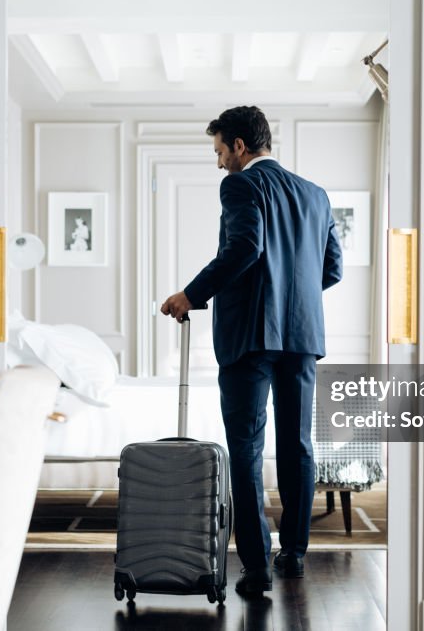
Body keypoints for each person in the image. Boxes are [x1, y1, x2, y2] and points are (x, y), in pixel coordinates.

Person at [161, 106, 343, 598]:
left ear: (240, 146)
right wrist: (293, 295)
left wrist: (190, 295)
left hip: (249, 338)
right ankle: (295, 555)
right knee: (298, 445)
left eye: (220, 151)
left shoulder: (241, 186)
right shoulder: (316, 195)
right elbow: (332, 270)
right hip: (303, 339)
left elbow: (243, 248)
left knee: (246, 446)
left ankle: (257, 567)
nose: (220, 163)